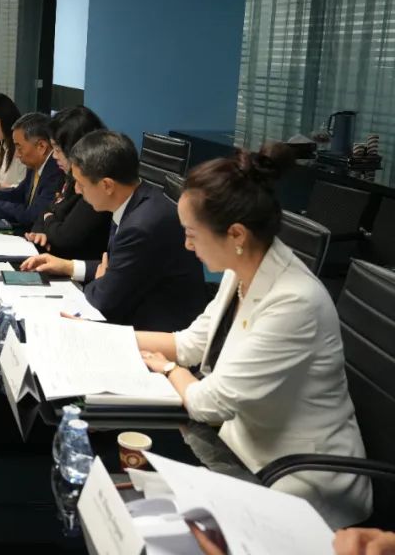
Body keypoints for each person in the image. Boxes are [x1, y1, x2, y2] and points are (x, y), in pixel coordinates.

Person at [133, 145, 371, 527]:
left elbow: (209, 403)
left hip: (300, 479)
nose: (187, 245)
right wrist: (105, 338)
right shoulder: (242, 268)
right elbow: (191, 345)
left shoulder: (295, 301)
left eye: (191, 234)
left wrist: (168, 369)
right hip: (239, 448)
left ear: (236, 233)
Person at [21, 130, 207, 331]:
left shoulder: (140, 226)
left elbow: (102, 303)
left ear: (107, 185)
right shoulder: (137, 199)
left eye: (81, 184)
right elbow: (119, 267)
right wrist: (69, 266)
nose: (76, 190)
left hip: (156, 332)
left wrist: (101, 280)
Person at [25, 106, 112, 260]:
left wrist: (48, 220)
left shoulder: (94, 185)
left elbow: (64, 238)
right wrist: (39, 232)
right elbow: (46, 210)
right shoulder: (68, 175)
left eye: (58, 150)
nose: (54, 156)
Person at [0, 112, 63, 228]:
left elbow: (33, 215)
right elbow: (18, 194)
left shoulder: (55, 172)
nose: (17, 155)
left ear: (41, 146)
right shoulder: (35, 164)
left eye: (19, 147)